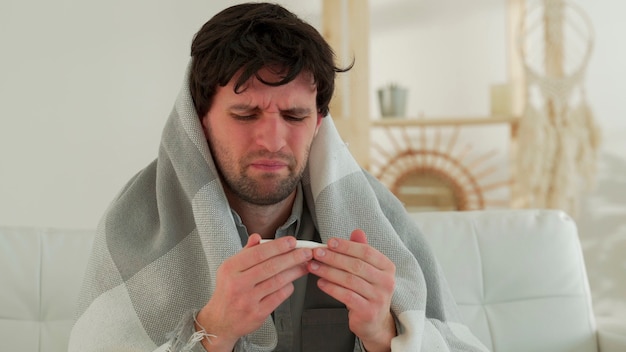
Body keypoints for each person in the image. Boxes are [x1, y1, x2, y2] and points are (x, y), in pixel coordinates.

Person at [69, 3, 488, 352]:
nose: (272, 140)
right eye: (245, 114)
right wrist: (212, 330)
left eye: (294, 115)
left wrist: (383, 333)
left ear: (319, 120)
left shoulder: (376, 219)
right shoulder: (134, 228)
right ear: (198, 121)